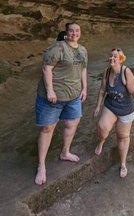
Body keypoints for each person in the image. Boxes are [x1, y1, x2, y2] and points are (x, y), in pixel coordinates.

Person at [34, 22, 88, 185]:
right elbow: (46, 68)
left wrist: (84, 88)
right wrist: (50, 90)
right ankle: (41, 165)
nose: (74, 33)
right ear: (67, 32)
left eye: (77, 30)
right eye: (71, 30)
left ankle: (65, 152)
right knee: (47, 128)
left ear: (80, 32)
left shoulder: (83, 50)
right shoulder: (57, 48)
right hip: (53, 97)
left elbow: (83, 69)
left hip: (73, 96)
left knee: (72, 123)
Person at [94, 48, 134, 178]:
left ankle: (123, 164)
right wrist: (98, 106)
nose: (112, 58)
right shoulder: (106, 71)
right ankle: (101, 141)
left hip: (126, 109)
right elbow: (103, 90)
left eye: (116, 56)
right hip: (111, 106)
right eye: (111, 56)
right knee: (102, 127)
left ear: (120, 60)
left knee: (122, 136)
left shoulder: (126, 72)